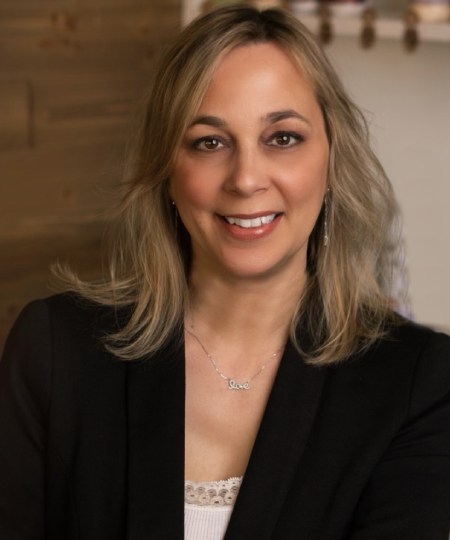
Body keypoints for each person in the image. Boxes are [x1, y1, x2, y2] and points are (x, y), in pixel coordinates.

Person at [1, 5, 450, 540]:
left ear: (332, 161)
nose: (246, 178)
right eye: (209, 142)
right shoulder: (55, 352)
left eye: (282, 137)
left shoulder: (420, 384)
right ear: (167, 171)